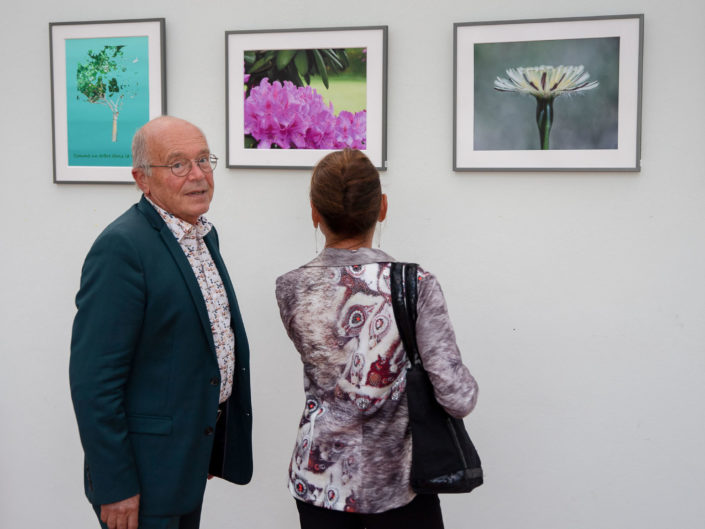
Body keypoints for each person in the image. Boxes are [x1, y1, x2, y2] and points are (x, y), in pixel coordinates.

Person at [275, 149, 478, 529]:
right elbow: (458, 397)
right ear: (382, 207)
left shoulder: (290, 288)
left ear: (315, 212)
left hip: (318, 484)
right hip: (400, 488)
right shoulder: (416, 286)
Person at [69, 116, 253, 529]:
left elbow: (198, 348)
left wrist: (208, 439)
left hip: (186, 458)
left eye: (204, 159)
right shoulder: (122, 247)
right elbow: (94, 381)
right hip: (143, 476)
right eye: (178, 164)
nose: (198, 175)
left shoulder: (200, 234)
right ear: (142, 179)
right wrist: (115, 486)